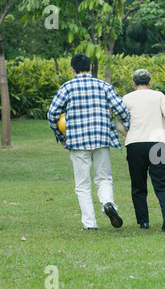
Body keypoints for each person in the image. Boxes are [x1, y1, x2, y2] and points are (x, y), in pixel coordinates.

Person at [47, 53, 130, 230]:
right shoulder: (103, 86)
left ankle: (90, 224)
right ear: (91, 68)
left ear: (72, 69)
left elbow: (52, 114)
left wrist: (61, 136)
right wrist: (127, 127)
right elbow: (122, 109)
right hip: (101, 139)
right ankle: (108, 203)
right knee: (104, 178)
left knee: (82, 185)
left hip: (77, 142)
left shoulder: (66, 88)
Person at [121, 69, 165, 232]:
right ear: (150, 82)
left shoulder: (127, 98)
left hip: (135, 145)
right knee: (164, 184)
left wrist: (127, 135)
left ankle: (143, 222)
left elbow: (119, 122)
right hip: (158, 143)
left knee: (138, 184)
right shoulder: (158, 95)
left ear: (133, 83)